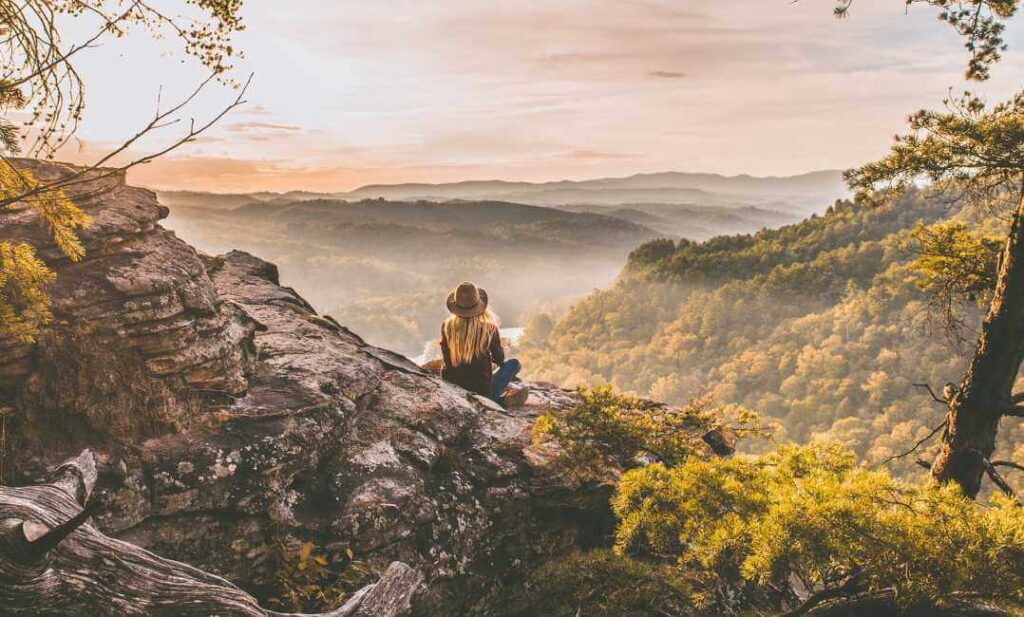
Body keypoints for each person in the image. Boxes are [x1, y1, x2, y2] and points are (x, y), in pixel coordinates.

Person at [439, 282, 528, 407]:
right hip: (482, 390)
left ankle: (495, 401)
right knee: (514, 364)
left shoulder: (447, 326)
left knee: (446, 369)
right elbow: (500, 359)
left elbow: (448, 361)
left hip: (455, 389)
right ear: (479, 304)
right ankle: (496, 401)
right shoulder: (489, 327)